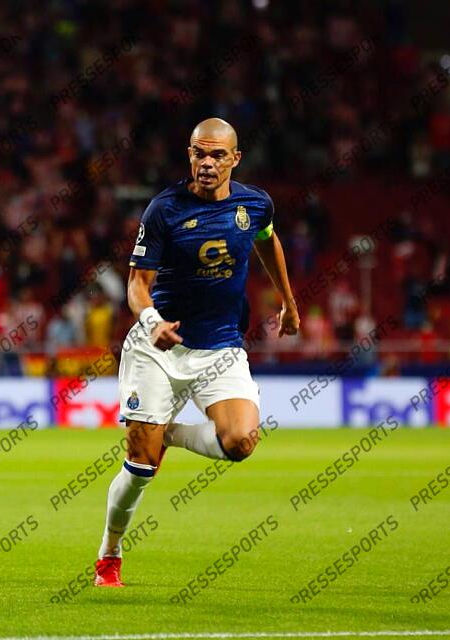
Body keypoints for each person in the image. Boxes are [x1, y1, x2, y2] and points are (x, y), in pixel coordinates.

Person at [94, 118, 300, 587]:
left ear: (235, 158)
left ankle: (165, 434)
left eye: (216, 155)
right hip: (159, 349)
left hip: (222, 347)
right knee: (140, 468)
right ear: (189, 155)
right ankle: (110, 552)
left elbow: (268, 242)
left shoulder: (256, 204)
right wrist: (152, 323)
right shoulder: (164, 210)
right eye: (198, 154)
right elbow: (136, 286)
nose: (206, 164)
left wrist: (289, 302)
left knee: (242, 442)